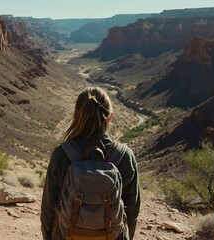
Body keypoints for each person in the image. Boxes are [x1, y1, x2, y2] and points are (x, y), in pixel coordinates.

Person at [41, 86, 140, 240]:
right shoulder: (125, 156)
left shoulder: (62, 154)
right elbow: (132, 212)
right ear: (110, 117)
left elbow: (48, 210)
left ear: (76, 115)